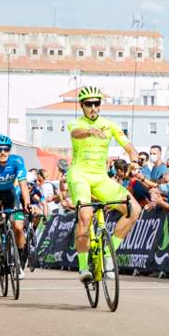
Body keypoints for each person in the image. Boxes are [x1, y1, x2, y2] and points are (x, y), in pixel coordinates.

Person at [65, 86, 141, 283]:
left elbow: (129, 147)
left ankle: (108, 253)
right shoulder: (76, 124)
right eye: (88, 104)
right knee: (85, 216)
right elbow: (77, 134)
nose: (93, 107)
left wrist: (134, 160)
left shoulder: (110, 125)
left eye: (96, 103)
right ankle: (82, 267)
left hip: (100, 178)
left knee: (134, 210)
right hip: (79, 175)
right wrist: (90, 131)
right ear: (81, 106)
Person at [0, 134, 32, 277]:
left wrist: (27, 203)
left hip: (10, 193)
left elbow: (23, 185)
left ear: (9, 150)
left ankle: (19, 263)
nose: (3, 152)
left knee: (19, 227)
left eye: (6, 149)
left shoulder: (17, 161)